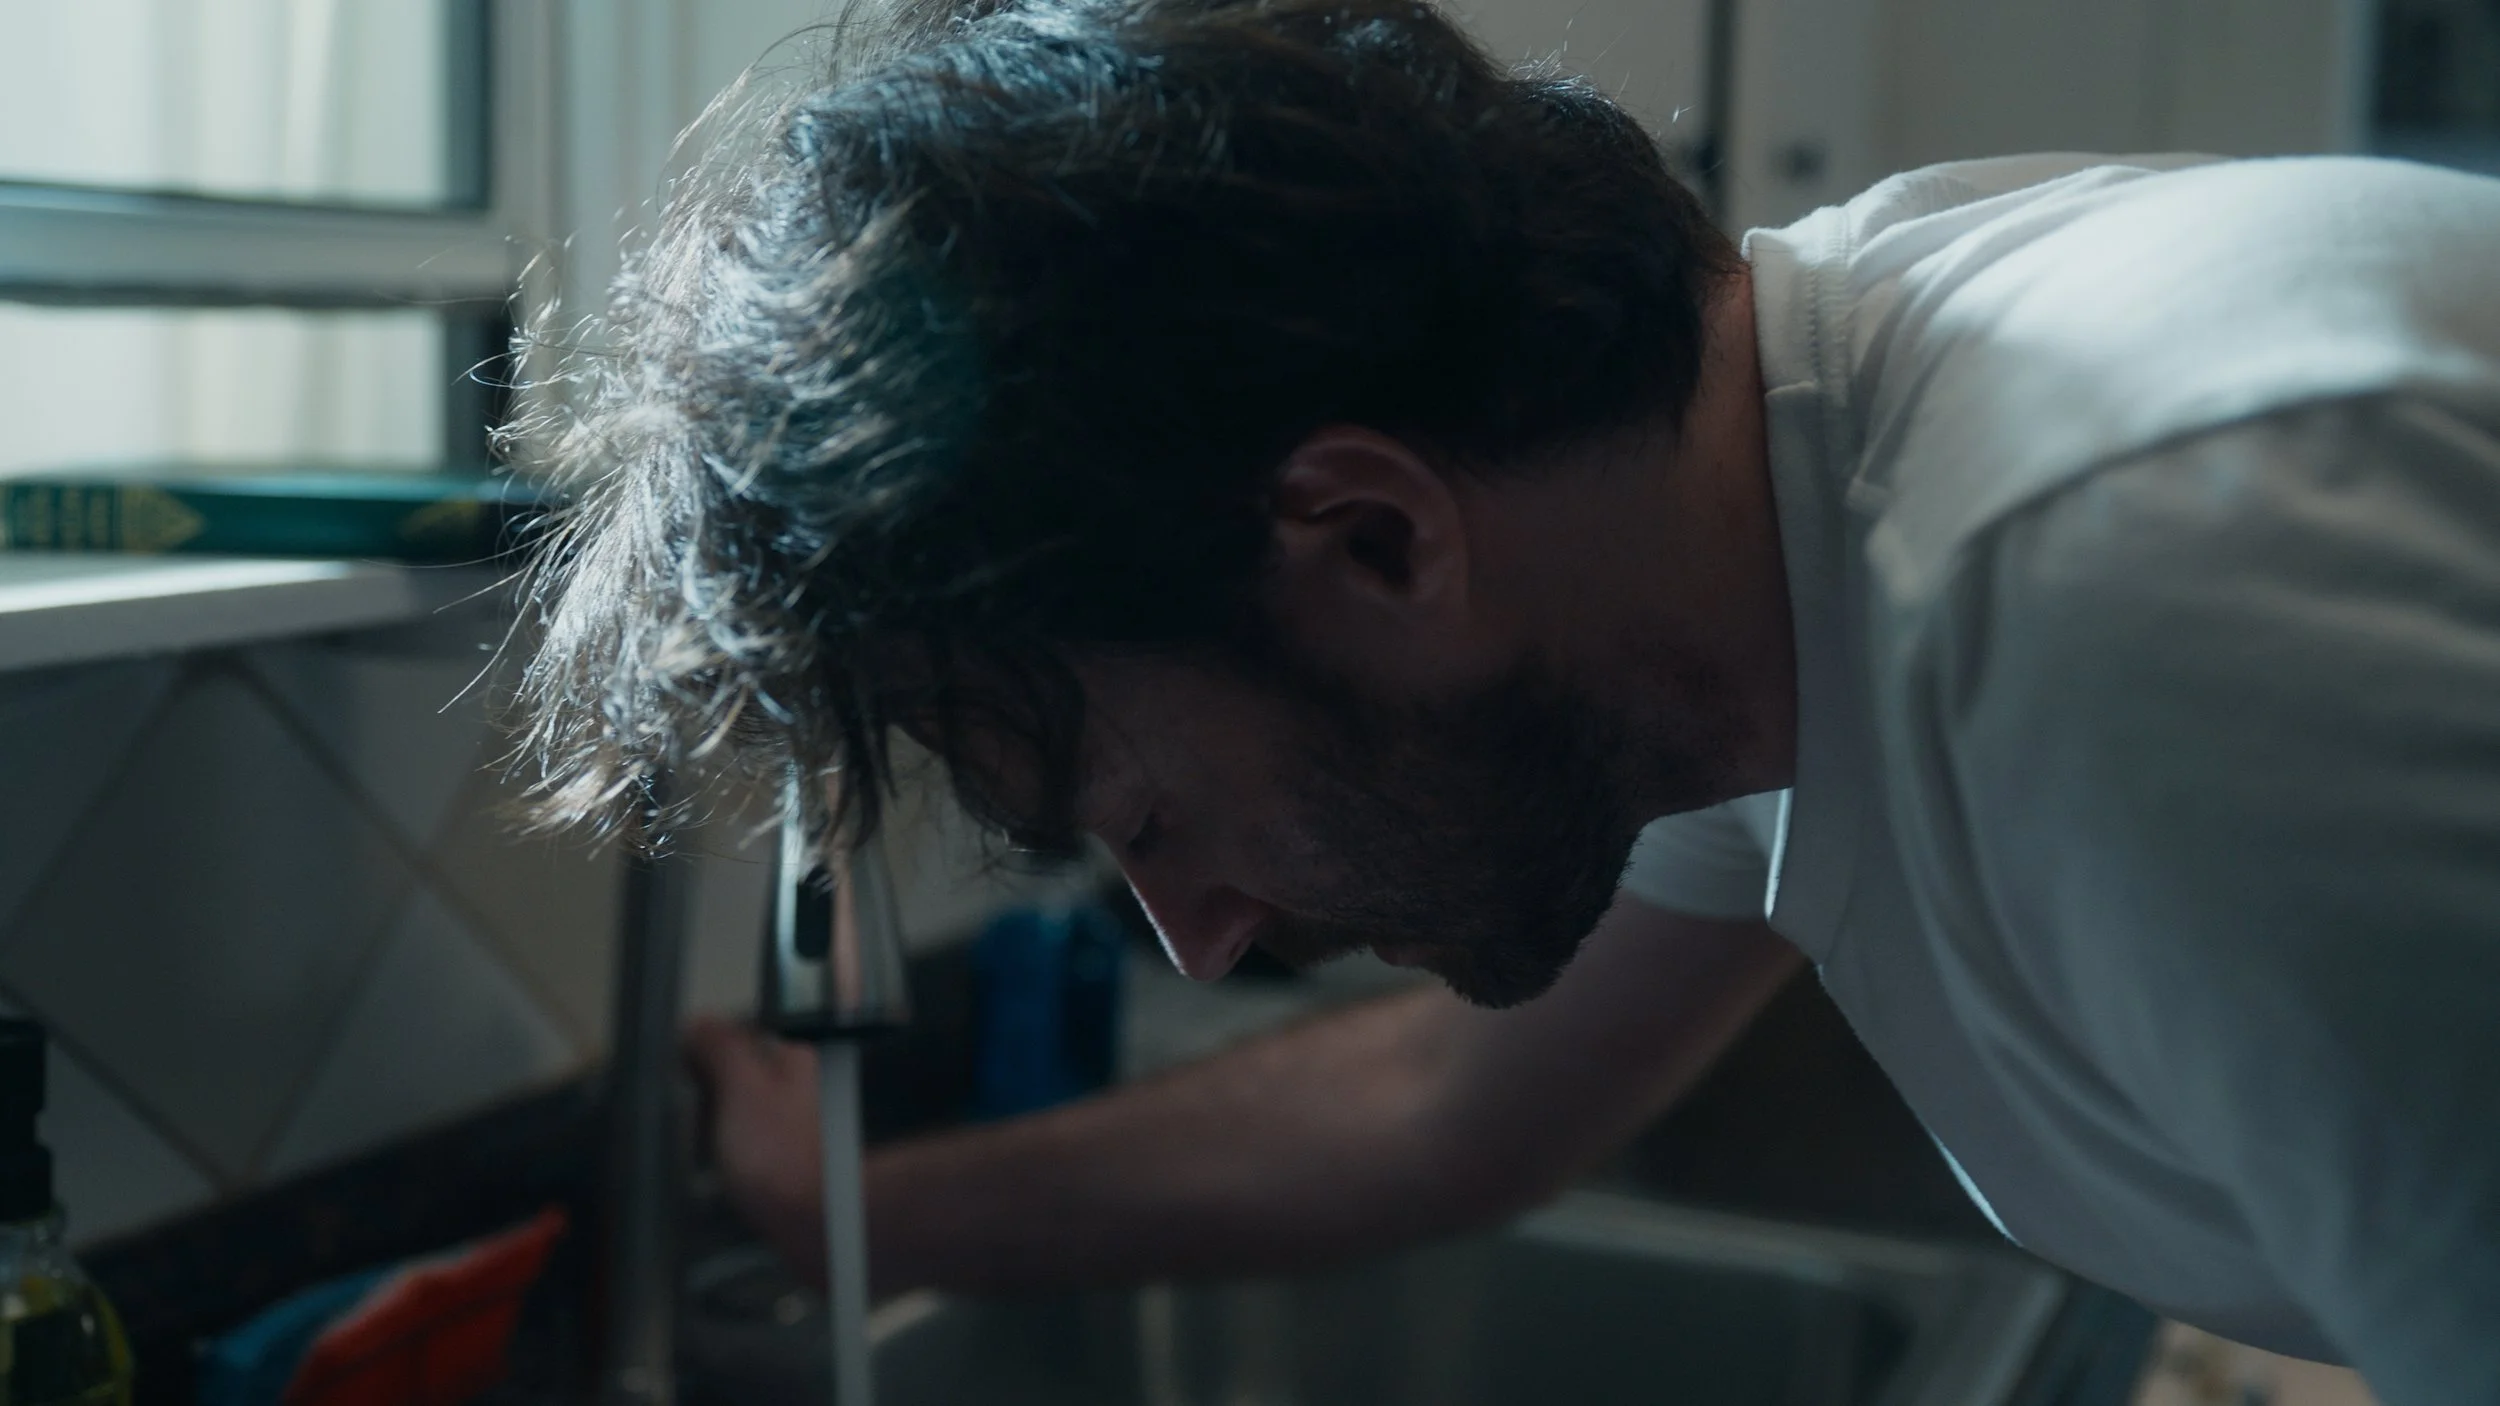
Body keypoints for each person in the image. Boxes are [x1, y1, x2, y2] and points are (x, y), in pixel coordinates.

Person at [510, 1, 2500, 1399]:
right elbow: (1444, 1111)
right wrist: (854, 1208)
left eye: (1148, 817)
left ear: (1373, 539)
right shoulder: (1756, 541)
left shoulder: (2112, 589)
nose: (1195, 935)